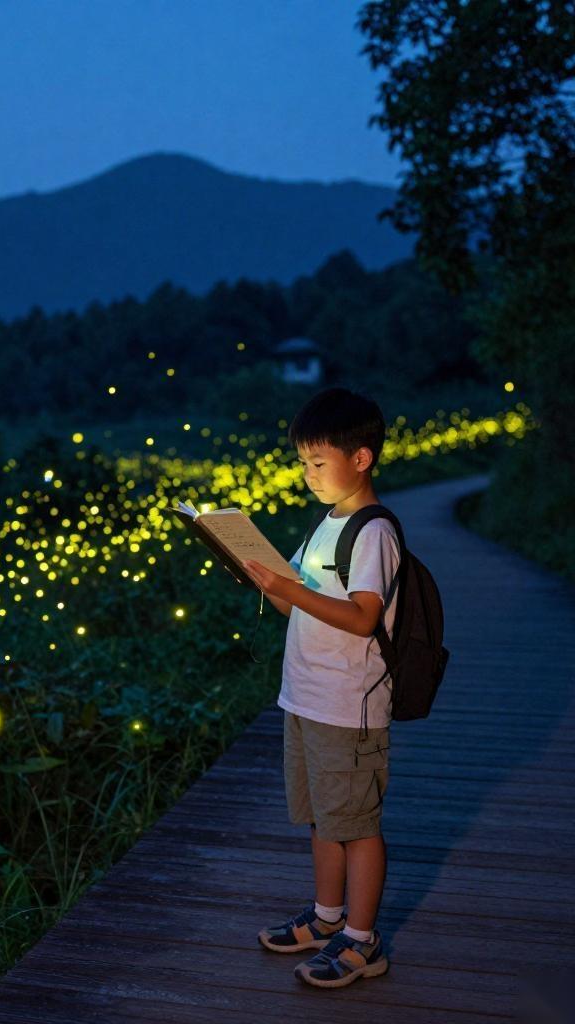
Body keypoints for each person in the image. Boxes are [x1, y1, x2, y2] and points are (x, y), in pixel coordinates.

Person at [241, 386, 400, 989]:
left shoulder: (373, 532)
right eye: (302, 463)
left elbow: (362, 616)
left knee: (356, 823)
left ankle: (363, 940)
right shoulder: (326, 524)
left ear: (360, 458)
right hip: (305, 697)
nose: (306, 475)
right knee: (322, 818)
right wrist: (271, 585)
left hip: (348, 704)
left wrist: (291, 591)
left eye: (317, 462)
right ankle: (327, 916)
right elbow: (305, 611)